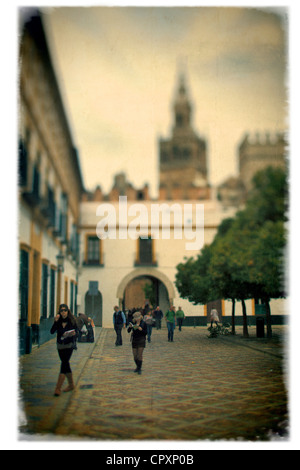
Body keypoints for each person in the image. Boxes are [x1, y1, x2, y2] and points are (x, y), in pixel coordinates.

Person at [50, 304, 78, 397]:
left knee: (64, 363)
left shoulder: (72, 321)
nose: (63, 312)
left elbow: (77, 332)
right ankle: (71, 385)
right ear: (59, 312)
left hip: (69, 345)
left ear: (67, 311)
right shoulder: (58, 321)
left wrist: (73, 334)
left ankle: (58, 388)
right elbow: (52, 331)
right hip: (60, 346)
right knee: (66, 363)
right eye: (61, 311)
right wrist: (55, 321)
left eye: (65, 310)